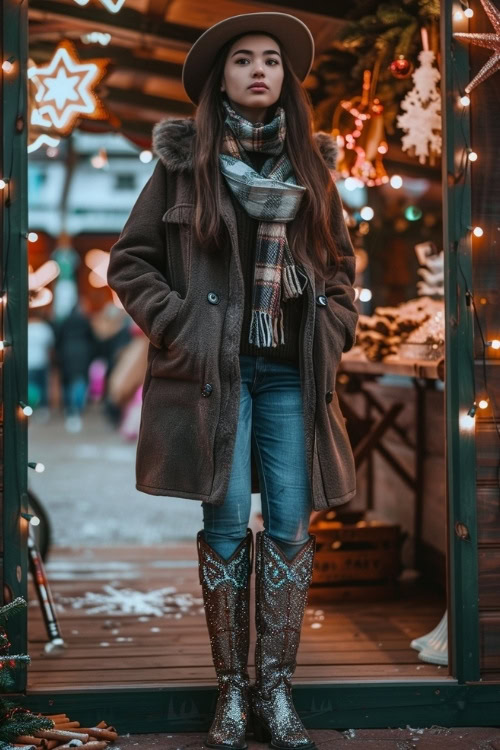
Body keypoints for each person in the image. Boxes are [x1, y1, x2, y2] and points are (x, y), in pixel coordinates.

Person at [107, 12, 358, 750]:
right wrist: (178, 322)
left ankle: (277, 690)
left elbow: (342, 272)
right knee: (223, 527)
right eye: (243, 59)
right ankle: (233, 694)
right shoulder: (182, 166)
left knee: (287, 525)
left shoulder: (313, 166)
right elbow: (131, 260)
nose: (258, 69)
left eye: (272, 60)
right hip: (215, 376)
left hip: (288, 376)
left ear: (286, 78)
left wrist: (333, 330)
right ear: (221, 76)